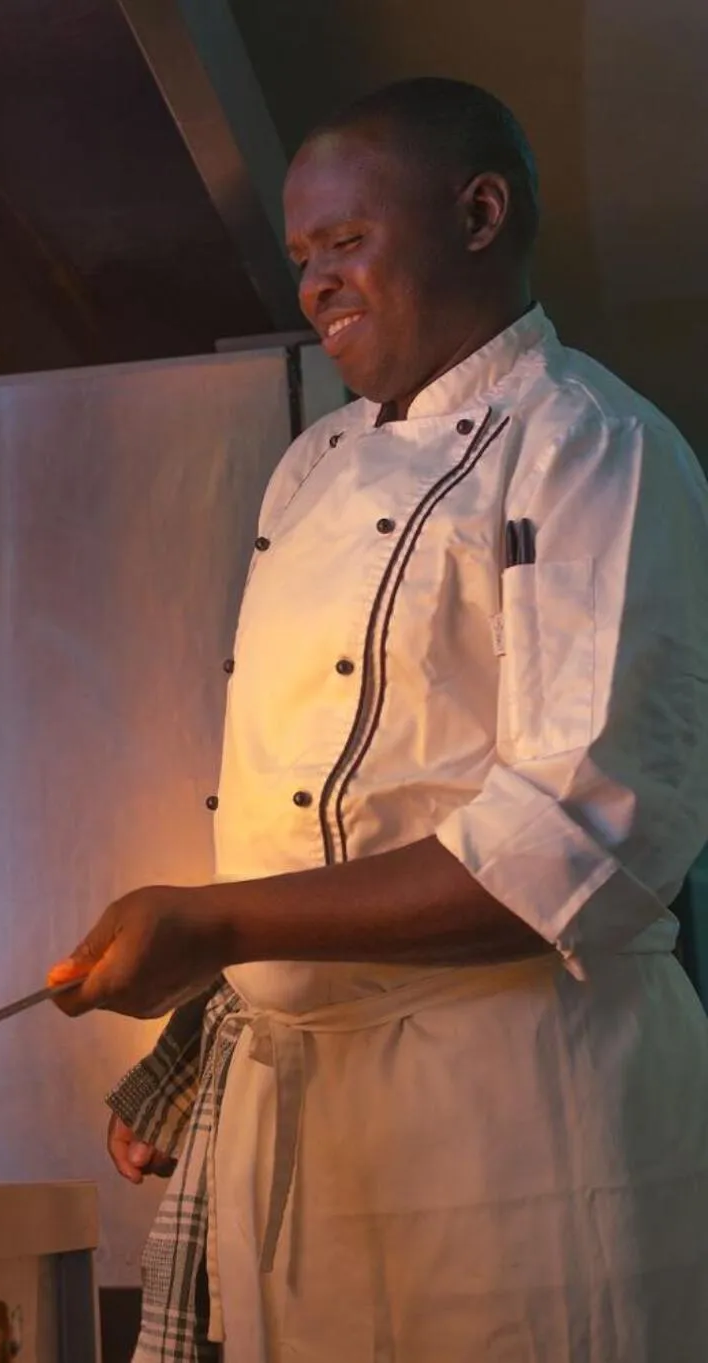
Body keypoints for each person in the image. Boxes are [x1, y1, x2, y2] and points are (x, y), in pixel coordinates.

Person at [50, 77, 708, 1362]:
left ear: (477, 214)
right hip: (306, 1133)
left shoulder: (587, 446)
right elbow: (325, 812)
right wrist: (206, 1019)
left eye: (344, 243)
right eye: (299, 257)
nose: (312, 286)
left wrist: (215, 920)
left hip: (514, 1117)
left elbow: (573, 842)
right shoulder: (311, 467)